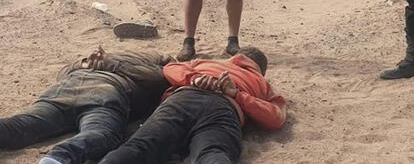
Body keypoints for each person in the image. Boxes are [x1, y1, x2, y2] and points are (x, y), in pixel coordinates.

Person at [99, 47, 286, 164]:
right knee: (213, 153)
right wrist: (237, 94)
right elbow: (275, 117)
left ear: (235, 57)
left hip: (184, 98)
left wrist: (194, 79)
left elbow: (170, 68)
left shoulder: (207, 62)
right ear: (260, 71)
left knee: (139, 147)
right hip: (224, 108)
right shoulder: (262, 84)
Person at [0, 46, 173, 164]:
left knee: (20, 125)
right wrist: (110, 65)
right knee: (102, 134)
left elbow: (63, 74)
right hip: (103, 94)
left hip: (64, 91)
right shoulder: (154, 61)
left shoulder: (96, 58)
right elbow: (159, 78)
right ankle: (59, 157)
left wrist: (87, 63)